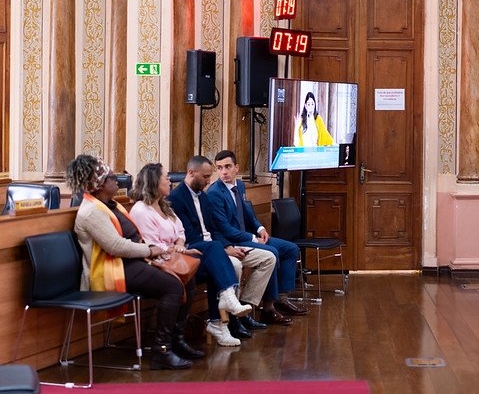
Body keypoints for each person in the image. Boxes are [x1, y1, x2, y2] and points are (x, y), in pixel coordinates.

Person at [67, 155, 191, 370]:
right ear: (99, 185)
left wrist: (156, 252)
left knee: (185, 275)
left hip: (130, 262)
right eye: (112, 178)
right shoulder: (91, 211)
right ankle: (162, 350)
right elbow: (116, 246)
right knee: (173, 286)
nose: (118, 180)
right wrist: (151, 250)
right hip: (113, 268)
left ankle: (177, 341)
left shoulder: (110, 205)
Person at [167, 155, 277, 344]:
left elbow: (214, 229)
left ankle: (242, 309)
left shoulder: (202, 195)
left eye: (210, 176)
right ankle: (226, 321)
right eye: (205, 177)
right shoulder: (176, 199)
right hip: (198, 251)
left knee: (268, 258)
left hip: (216, 246)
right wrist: (223, 249)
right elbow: (188, 238)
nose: (209, 181)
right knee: (234, 265)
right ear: (191, 173)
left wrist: (225, 246)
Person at [206, 150, 310, 325]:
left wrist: (259, 228)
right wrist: (253, 238)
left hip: (247, 235)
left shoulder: (239, 185)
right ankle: (265, 309)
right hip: (233, 241)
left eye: (228, 167)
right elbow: (225, 229)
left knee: (291, 249)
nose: (224, 171)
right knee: (272, 252)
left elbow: (246, 212)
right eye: (219, 168)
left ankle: (281, 300)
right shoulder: (214, 193)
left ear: (236, 168)